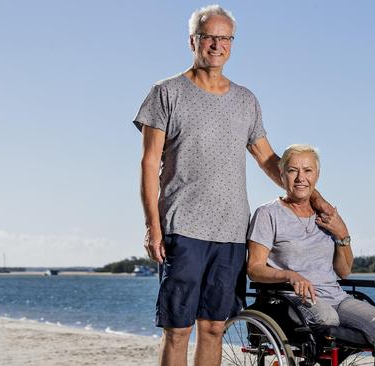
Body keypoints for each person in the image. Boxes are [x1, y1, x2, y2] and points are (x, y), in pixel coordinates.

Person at [132, 5, 336, 366]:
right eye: (209, 36)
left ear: (232, 44)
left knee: (214, 327)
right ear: (193, 40)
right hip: (183, 229)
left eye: (225, 38)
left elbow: (269, 160)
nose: (217, 44)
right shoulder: (166, 93)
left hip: (231, 234)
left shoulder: (246, 100)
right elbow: (149, 163)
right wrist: (153, 227)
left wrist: (315, 199)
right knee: (178, 329)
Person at [247, 144, 375, 365]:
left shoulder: (325, 216)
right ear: (281, 174)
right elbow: (254, 269)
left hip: (336, 297)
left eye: (308, 170)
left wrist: (342, 233)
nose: (301, 178)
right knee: (327, 318)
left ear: (317, 175)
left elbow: (344, 270)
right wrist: (290, 275)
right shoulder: (268, 214)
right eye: (293, 170)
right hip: (293, 299)